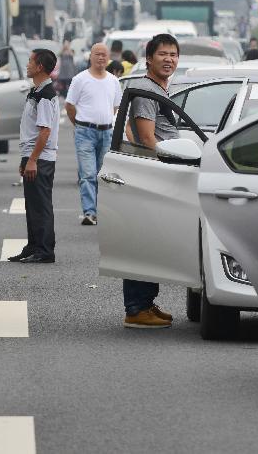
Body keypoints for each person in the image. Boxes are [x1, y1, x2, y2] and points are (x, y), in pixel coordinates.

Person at [122, 33, 181, 329]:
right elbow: (147, 137)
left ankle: (145, 302)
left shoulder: (157, 89)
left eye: (173, 54)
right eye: (162, 54)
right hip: (153, 173)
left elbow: (132, 130)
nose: (168, 59)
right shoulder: (147, 90)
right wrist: (164, 167)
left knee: (151, 240)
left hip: (154, 171)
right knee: (144, 241)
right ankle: (136, 308)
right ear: (148, 58)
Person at [7, 49, 60, 264]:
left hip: (41, 159)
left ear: (39, 67)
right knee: (32, 205)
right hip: (32, 155)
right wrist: (26, 158)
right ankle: (33, 245)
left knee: (41, 206)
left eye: (30, 61)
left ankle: (45, 250)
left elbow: (45, 132)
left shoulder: (46, 95)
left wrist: (32, 160)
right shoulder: (36, 91)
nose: (27, 65)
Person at [65, 43, 122, 226]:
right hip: (85, 133)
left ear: (109, 58)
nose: (101, 58)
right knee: (88, 174)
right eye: (97, 54)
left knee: (103, 175)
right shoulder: (80, 79)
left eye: (104, 54)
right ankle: (90, 212)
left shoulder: (113, 81)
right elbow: (69, 105)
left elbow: (115, 107)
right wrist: (80, 125)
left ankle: (102, 210)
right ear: (90, 56)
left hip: (107, 132)